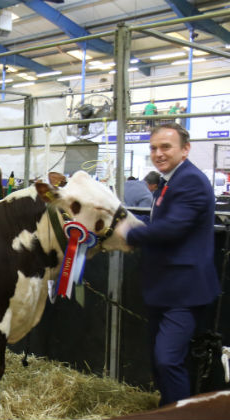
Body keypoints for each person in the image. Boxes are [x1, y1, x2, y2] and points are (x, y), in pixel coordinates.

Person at [115, 123, 221, 406]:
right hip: (164, 288)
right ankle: (169, 407)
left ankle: (179, 413)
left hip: (183, 291)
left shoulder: (191, 181)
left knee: (168, 359)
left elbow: (172, 228)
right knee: (158, 359)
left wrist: (127, 233)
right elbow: (161, 223)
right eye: (153, 148)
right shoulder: (169, 180)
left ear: (185, 149)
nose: (158, 153)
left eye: (166, 147)